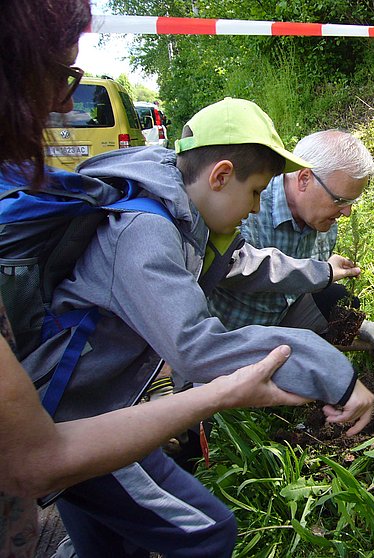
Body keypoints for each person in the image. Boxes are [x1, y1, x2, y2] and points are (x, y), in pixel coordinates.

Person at [0, 1, 310, 556]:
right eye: (258, 190)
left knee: (109, 542)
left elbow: (245, 264)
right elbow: (195, 348)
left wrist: (319, 270)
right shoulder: (148, 231)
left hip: (97, 406)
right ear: (220, 176)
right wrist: (325, 370)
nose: (67, 101)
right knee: (208, 531)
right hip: (76, 413)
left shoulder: (190, 223)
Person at [210, 129, 374, 350]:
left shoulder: (324, 222)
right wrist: (319, 272)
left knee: (335, 296)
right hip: (231, 335)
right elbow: (235, 270)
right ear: (304, 179)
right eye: (340, 200)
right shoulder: (249, 207)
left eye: (351, 202)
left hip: (281, 324)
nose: (347, 212)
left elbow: (307, 293)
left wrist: (357, 325)